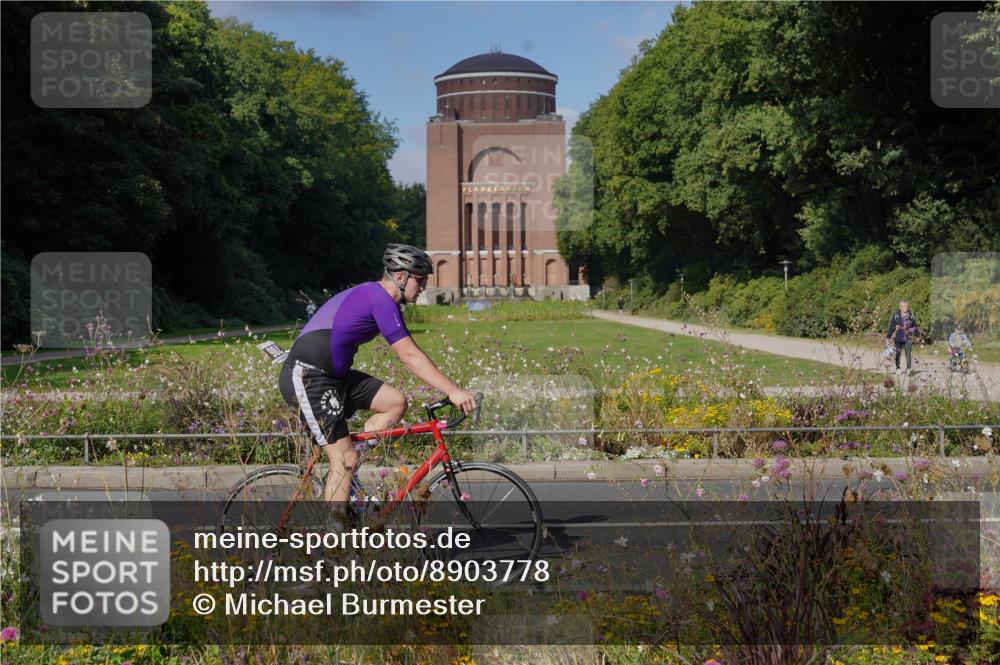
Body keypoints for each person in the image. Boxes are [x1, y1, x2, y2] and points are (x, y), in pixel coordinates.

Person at [278, 244, 476, 526]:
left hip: (334, 377)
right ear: (400, 277)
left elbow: (411, 352)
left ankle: (344, 472)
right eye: (420, 279)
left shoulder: (382, 299)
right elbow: (409, 356)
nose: (424, 286)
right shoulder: (378, 298)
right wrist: (453, 391)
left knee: (395, 402)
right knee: (344, 459)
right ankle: (335, 548)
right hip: (308, 377)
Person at [886, 300, 920, 373]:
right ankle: (898, 368)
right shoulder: (896, 315)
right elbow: (892, 326)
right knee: (897, 354)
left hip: (908, 338)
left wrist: (917, 335)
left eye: (906, 306)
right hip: (898, 338)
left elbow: (915, 326)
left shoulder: (911, 315)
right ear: (900, 307)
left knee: (908, 353)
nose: (905, 307)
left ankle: (909, 369)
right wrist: (888, 337)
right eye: (903, 306)